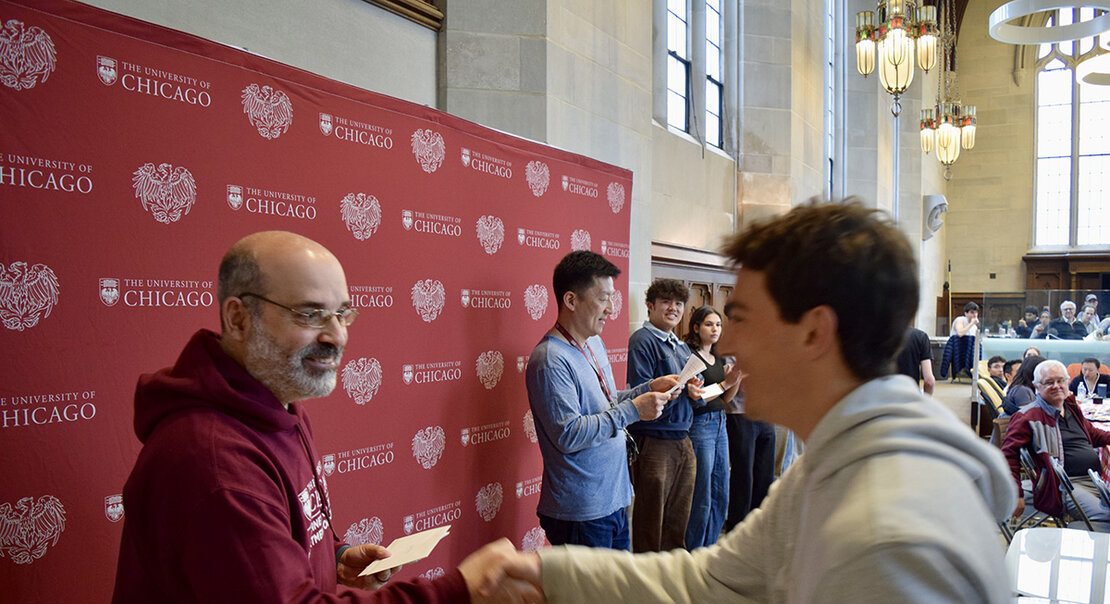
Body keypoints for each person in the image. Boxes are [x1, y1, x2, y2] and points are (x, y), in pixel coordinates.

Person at [500, 200, 1017, 603]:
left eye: (742, 318)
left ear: (814, 333)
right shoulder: (826, 471)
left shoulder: (889, 543)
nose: (725, 346)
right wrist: (549, 572)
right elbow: (714, 582)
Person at [112, 231, 540, 604]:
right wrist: (458, 591)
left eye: (343, 313)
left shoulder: (277, 402)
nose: (336, 335)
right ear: (238, 318)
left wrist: (334, 557)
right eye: (310, 313)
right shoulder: (214, 463)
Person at [525, 250, 677, 549]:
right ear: (571, 300)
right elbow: (568, 434)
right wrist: (634, 409)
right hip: (582, 511)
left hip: (614, 498)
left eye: (612, 298)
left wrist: (646, 388)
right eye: (603, 298)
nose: (611, 309)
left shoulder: (593, 342)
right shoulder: (550, 359)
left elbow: (607, 403)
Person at [626, 278, 704, 552]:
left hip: (684, 438)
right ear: (650, 306)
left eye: (679, 303)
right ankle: (646, 589)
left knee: (677, 520)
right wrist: (673, 391)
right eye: (666, 302)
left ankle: (671, 585)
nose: (673, 308)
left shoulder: (681, 346)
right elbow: (641, 395)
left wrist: (694, 390)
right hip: (655, 441)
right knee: (650, 521)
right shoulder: (642, 341)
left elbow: (689, 395)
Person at [1002, 360, 1110, 523]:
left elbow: (1093, 435)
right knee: (1106, 517)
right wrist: (1016, 493)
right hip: (1064, 486)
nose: (1057, 386)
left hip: (1095, 479)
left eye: (1060, 381)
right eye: (1049, 382)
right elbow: (1008, 456)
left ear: (1068, 382)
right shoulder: (1029, 417)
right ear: (1036, 386)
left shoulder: (1070, 407)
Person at [683, 306, 743, 549]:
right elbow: (697, 397)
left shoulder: (717, 357)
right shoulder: (691, 357)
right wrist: (725, 382)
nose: (715, 329)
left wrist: (735, 381)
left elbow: (725, 398)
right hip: (701, 426)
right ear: (696, 328)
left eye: (718, 324)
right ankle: (694, 550)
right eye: (709, 324)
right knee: (702, 495)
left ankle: (710, 546)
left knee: (721, 490)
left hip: (720, 423)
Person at [895, 325, 935, 394]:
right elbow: (929, 381)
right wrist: (925, 400)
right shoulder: (920, 336)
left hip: (881, 399)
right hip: (910, 396)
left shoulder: (875, 337)